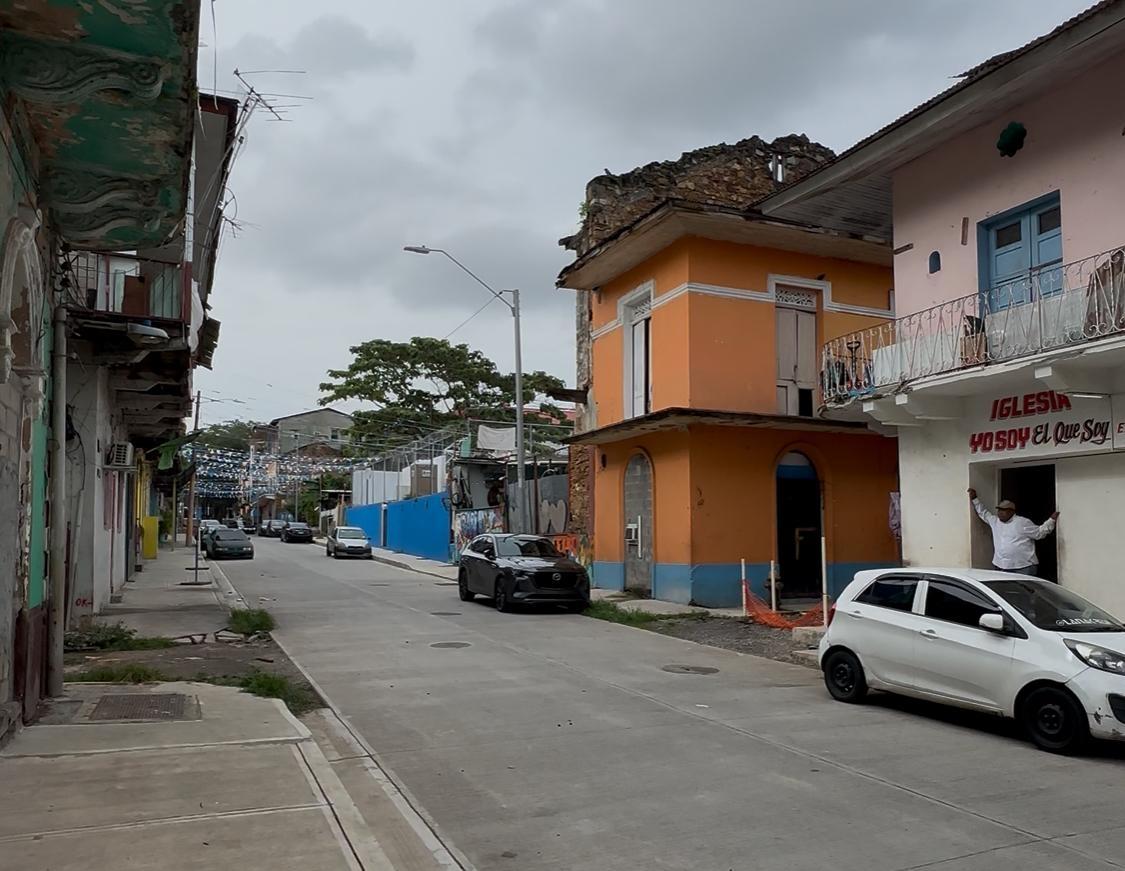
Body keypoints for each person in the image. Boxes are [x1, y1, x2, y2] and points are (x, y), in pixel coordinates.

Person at [968, 488, 1059, 575]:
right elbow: (983, 513)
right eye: (999, 510)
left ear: (1011, 512)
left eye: (1003, 510)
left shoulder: (1022, 522)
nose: (1000, 512)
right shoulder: (995, 521)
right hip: (1001, 566)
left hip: (1023, 567)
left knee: (1024, 587)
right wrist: (974, 499)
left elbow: (1039, 533)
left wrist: (1051, 520)